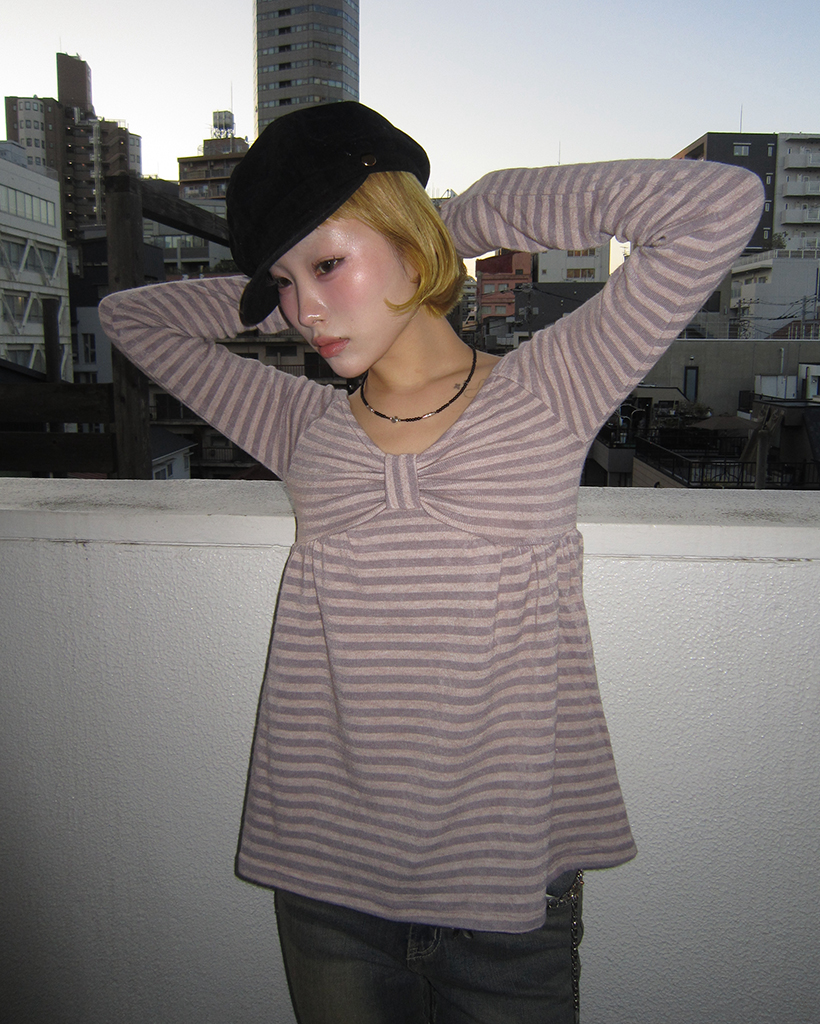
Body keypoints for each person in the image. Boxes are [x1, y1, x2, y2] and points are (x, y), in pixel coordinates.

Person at [99, 102, 762, 1024]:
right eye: (284, 284)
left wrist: (460, 223)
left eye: (327, 264)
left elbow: (720, 205)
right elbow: (131, 318)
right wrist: (271, 278)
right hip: (325, 877)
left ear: (412, 239)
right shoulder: (300, 426)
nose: (306, 310)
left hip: (508, 883)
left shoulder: (550, 390)